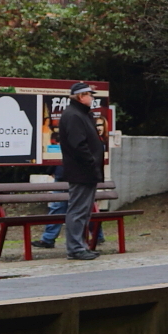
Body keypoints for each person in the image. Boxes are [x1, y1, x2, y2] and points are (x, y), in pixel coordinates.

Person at [59, 82, 105, 260]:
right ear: (80, 96)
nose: (92, 98)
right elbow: (78, 145)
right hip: (81, 171)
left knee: (84, 211)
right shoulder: (74, 115)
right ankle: (75, 248)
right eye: (89, 95)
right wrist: (91, 162)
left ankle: (80, 245)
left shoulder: (82, 114)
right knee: (78, 210)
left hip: (87, 171)